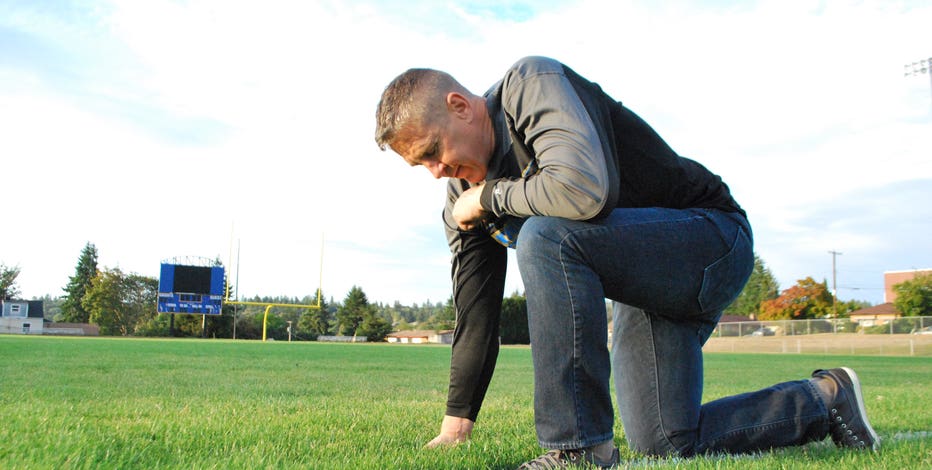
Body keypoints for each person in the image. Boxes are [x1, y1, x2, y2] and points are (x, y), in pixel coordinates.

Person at [374, 56, 879, 469]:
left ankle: (578, 448)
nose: (436, 170)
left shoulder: (531, 85)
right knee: (664, 439)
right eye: (421, 165)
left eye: (432, 151)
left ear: (460, 106)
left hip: (709, 238)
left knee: (547, 235)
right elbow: (476, 316)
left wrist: (491, 195)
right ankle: (825, 399)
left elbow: (583, 192)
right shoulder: (460, 196)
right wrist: (455, 425)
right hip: (644, 284)